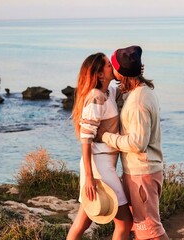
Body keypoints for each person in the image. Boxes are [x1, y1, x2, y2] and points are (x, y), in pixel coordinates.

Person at [97, 45, 170, 240]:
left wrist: (105, 136)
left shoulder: (138, 102)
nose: (110, 70)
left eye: (113, 67)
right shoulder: (140, 92)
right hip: (139, 172)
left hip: (142, 174)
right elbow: (121, 98)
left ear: (121, 72)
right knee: (141, 229)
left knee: (151, 230)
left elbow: (138, 143)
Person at [66, 52, 133, 240]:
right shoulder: (96, 97)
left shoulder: (110, 92)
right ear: (100, 75)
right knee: (125, 222)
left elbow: (129, 88)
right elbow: (85, 139)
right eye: (107, 65)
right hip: (99, 166)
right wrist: (89, 178)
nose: (112, 65)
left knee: (84, 219)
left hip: (105, 163)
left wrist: (134, 72)